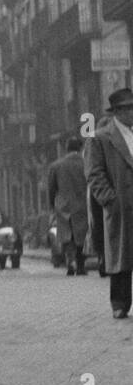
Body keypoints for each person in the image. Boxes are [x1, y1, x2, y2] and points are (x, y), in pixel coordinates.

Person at [84, 87, 133, 320]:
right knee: (121, 255)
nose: (131, 113)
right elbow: (94, 173)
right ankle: (120, 303)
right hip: (120, 205)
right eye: (127, 109)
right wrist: (109, 200)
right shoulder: (101, 137)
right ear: (117, 112)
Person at [48, 136, 90, 276]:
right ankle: (81, 265)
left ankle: (70, 261)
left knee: (67, 236)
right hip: (83, 205)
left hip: (63, 206)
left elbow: (52, 189)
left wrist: (52, 205)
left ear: (66, 149)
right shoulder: (87, 163)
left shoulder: (56, 166)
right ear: (80, 147)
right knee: (81, 236)